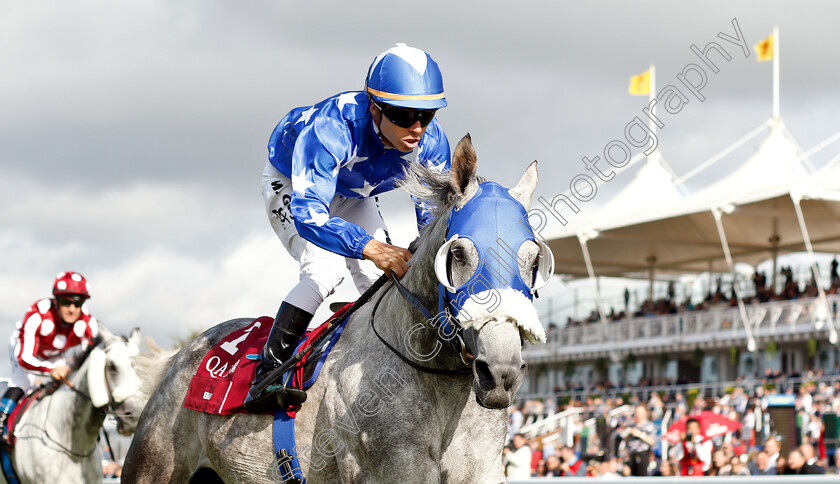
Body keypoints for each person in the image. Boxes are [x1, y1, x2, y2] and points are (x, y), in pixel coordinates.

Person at [246, 43, 451, 410]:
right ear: (376, 107)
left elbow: (433, 226)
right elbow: (310, 217)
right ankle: (266, 375)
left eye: (427, 115)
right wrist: (369, 248)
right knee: (324, 273)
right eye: (405, 116)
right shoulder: (331, 128)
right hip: (294, 183)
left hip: (353, 192)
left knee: (387, 278)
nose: (417, 128)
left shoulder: (432, 145)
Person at [0, 272, 99, 444]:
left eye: (78, 303)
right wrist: (50, 370)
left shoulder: (89, 323)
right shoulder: (37, 315)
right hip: (25, 350)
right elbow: (24, 359)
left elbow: (89, 359)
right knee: (23, 381)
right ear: (56, 300)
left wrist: (70, 369)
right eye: (66, 302)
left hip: (55, 353)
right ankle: (2, 421)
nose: (72, 309)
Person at [623, 404, 656, 476]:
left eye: (640, 412)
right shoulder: (632, 425)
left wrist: (639, 434)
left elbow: (653, 441)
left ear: (645, 413)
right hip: (632, 456)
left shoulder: (649, 426)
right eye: (637, 412)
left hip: (643, 455)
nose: (638, 415)